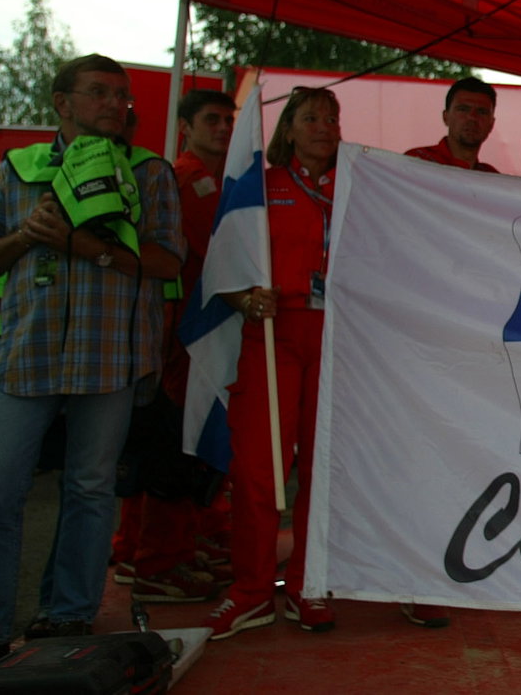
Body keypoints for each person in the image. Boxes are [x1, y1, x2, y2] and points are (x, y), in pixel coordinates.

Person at [0, 54, 183, 644]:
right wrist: (27, 236)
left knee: (89, 487)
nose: (114, 104)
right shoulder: (17, 169)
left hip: (111, 355)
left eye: (121, 95)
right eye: (99, 93)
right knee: (4, 487)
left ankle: (69, 613)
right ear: (62, 102)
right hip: (24, 352)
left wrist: (87, 247)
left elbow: (168, 261)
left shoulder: (150, 172)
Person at [204, 87, 340, 640]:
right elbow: (224, 263)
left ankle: (308, 585)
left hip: (336, 341)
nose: (324, 127)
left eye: (332, 118)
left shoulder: (358, 187)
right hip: (271, 335)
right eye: (311, 117)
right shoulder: (261, 187)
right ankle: (253, 590)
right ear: (287, 128)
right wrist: (242, 298)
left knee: (321, 473)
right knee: (260, 472)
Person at [115, 89, 238, 605]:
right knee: (179, 441)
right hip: (187, 331)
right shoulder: (182, 179)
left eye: (228, 120)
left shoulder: (218, 180)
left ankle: (142, 547)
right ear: (185, 126)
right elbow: (214, 255)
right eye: (212, 120)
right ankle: (158, 559)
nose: (223, 129)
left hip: (197, 329)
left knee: (178, 439)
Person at [405, 77, 500, 172]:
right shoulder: (416, 161)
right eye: (463, 109)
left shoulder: (491, 176)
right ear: (446, 117)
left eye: (482, 112)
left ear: (491, 124)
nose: (472, 117)